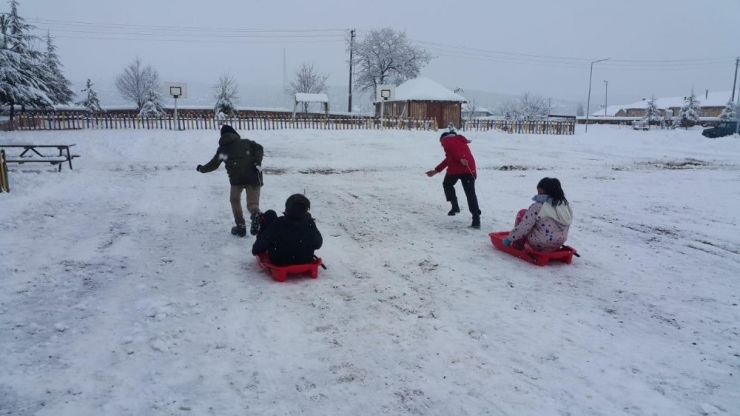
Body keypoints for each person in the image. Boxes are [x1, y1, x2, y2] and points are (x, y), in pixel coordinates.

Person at [197, 125, 264, 237]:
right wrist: (257, 162)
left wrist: (201, 169)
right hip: (253, 174)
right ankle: (256, 214)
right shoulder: (246, 142)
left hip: (236, 178)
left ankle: (240, 226)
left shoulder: (223, 149)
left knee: (235, 200)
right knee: (252, 203)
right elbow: (259, 148)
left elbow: (214, 164)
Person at [426, 131, 481, 228]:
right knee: (470, 193)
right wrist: (436, 171)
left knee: (447, 184)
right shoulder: (460, 141)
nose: (442, 145)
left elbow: (454, 150)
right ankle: (476, 220)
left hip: (456, 168)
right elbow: (448, 159)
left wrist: (460, 159)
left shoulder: (447, 140)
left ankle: (455, 206)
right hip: (469, 168)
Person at [503, 177, 573, 253]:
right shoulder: (564, 206)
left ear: (541, 191)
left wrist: (509, 239)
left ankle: (517, 245)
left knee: (523, 213)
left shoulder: (538, 206)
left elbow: (524, 227)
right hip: (558, 243)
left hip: (540, 244)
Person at [252, 194, 323, 266]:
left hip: (280, 260)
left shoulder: (278, 224)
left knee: (270, 214)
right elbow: (318, 244)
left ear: (286, 209)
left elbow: (256, 250)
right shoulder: (309, 224)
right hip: (305, 259)